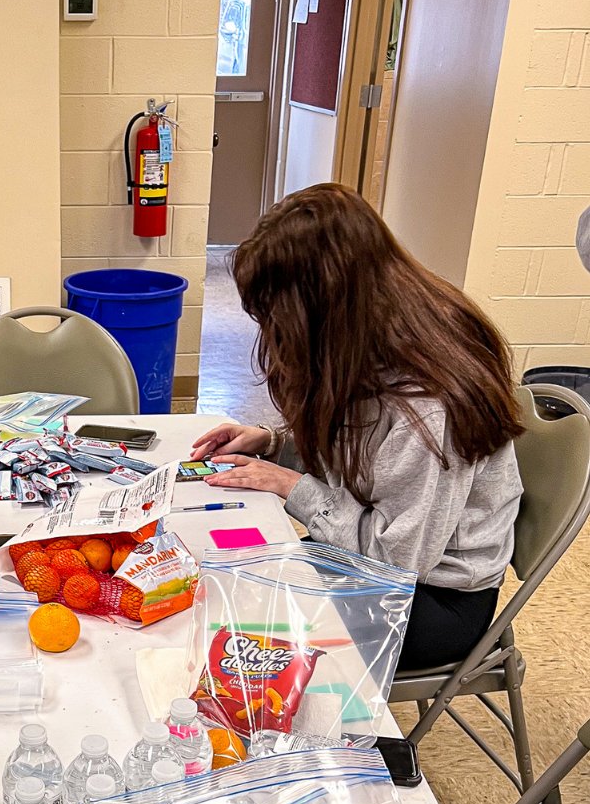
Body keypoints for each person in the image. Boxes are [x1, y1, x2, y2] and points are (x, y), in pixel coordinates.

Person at [191, 183, 524, 670]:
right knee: (218, 574)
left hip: (432, 599)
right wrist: (276, 443)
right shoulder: (369, 342)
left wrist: (292, 486)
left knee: (239, 618)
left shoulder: (431, 403)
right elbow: (361, 452)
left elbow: (394, 563)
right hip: (376, 558)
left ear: (329, 310)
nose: (273, 336)